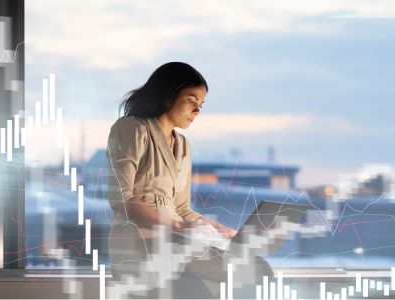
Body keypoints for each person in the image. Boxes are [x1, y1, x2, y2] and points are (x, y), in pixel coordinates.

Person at [106, 62, 271, 299]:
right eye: (192, 101)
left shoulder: (183, 146)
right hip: (140, 242)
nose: (197, 111)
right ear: (167, 95)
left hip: (178, 242)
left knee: (257, 269)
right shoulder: (132, 129)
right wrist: (179, 227)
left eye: (201, 105)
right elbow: (121, 197)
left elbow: (181, 208)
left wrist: (221, 230)